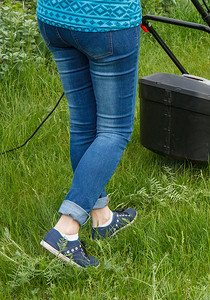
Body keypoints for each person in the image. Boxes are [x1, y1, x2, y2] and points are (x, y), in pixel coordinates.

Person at [36, 0, 142, 267]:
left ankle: (102, 218)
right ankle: (66, 229)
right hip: (107, 21)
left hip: (54, 17)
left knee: (84, 123)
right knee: (114, 131)